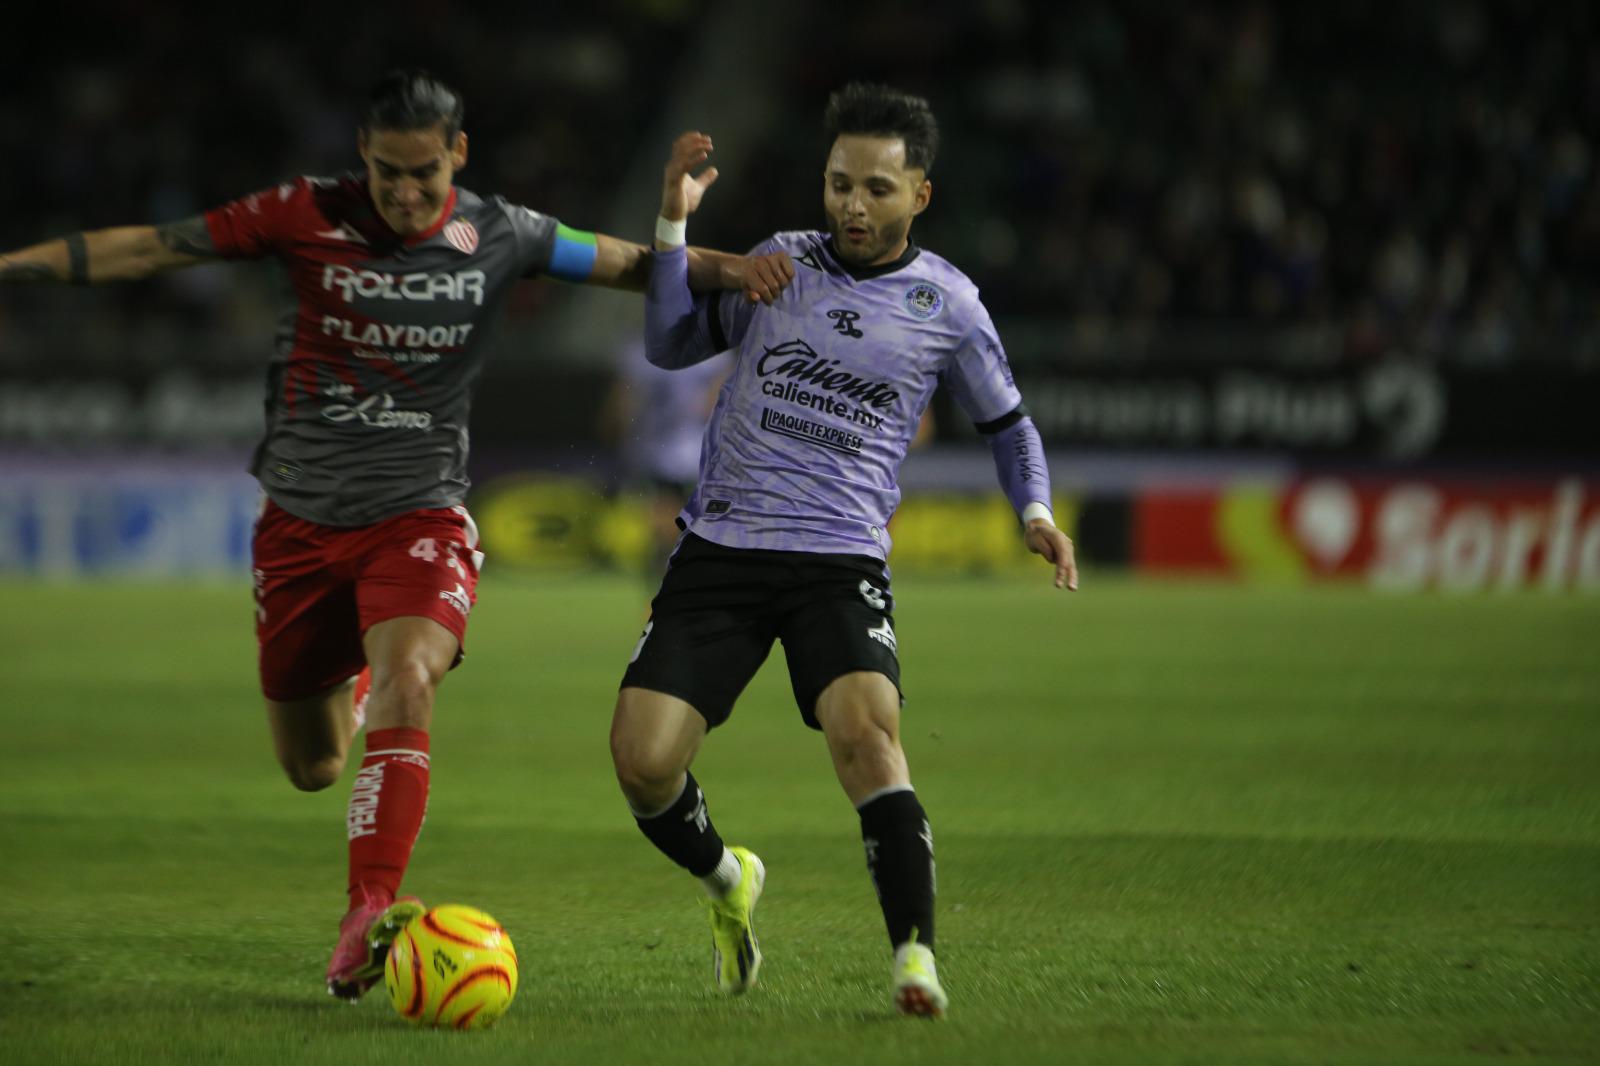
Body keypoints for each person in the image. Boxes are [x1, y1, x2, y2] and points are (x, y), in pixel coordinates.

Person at [0, 69, 791, 1001]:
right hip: (299, 527)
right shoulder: (302, 213)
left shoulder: (501, 232)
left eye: (424, 173)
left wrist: (742, 268)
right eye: (387, 173)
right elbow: (152, 248)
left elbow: (629, 264)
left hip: (420, 514)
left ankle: (367, 910)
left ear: (458, 155)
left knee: (412, 676)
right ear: (362, 158)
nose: (406, 193)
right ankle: (363, 687)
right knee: (313, 766)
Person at [609, 83, 1077, 1019]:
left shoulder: (949, 305)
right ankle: (728, 878)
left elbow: (1010, 425)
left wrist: (1034, 510)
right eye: (838, 184)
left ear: (920, 196)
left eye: (876, 189)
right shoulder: (778, 265)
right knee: (643, 764)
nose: (853, 206)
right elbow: (666, 344)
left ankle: (914, 957)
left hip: (839, 562)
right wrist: (672, 223)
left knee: (868, 737)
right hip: (723, 549)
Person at [597, 338, 732, 574]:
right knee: (688, 511)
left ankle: (670, 561)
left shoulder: (640, 350)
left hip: (657, 445)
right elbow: (716, 399)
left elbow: (623, 403)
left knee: (665, 509)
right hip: (695, 445)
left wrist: (617, 432)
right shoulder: (710, 349)